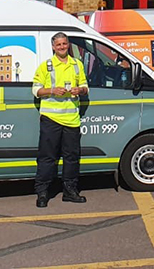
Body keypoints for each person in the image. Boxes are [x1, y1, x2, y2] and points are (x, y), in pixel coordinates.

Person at [32, 32, 89, 207]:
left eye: (64, 44)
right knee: (47, 157)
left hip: (72, 119)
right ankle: (42, 193)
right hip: (51, 118)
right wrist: (51, 90)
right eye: (59, 45)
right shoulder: (46, 66)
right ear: (53, 47)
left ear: (68, 44)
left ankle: (70, 191)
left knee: (72, 157)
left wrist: (80, 90)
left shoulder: (77, 65)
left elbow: (86, 87)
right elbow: (35, 90)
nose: (62, 47)